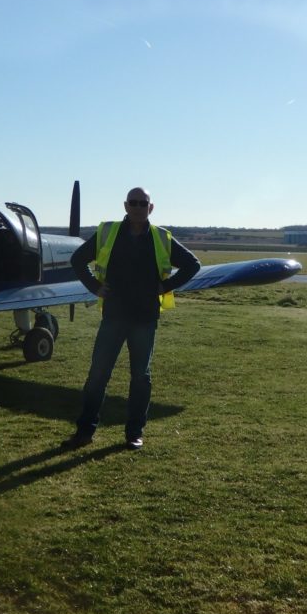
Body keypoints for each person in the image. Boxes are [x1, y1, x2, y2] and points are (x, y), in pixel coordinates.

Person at [64, 187, 201, 451]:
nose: (138, 207)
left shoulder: (161, 237)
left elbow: (192, 264)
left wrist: (166, 286)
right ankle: (84, 432)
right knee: (97, 375)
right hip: (114, 315)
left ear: (151, 208)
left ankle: (134, 433)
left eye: (143, 203)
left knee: (140, 377)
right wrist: (94, 287)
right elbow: (77, 259)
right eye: (133, 202)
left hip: (145, 318)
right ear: (126, 206)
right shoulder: (108, 232)